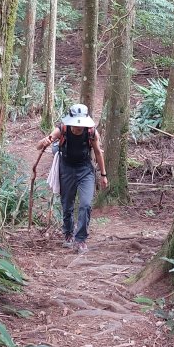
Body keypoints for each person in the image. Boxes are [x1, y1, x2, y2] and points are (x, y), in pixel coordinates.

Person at [33, 103, 108, 254]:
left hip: (85, 170)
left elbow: (98, 153)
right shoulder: (63, 129)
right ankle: (68, 234)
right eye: (75, 124)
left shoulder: (91, 132)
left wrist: (103, 175)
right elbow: (38, 146)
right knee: (67, 204)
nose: (78, 128)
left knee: (85, 204)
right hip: (66, 169)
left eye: (80, 125)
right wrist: (45, 141)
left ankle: (80, 239)